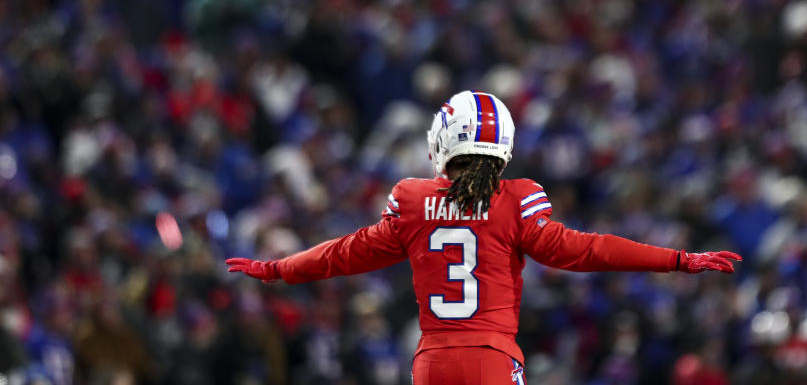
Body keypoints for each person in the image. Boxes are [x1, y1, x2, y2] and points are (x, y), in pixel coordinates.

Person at [226, 91, 741, 384]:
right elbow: (586, 250)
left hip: (432, 362)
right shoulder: (517, 198)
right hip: (493, 359)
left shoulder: (410, 198)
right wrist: (677, 259)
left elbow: (343, 255)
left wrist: (276, 268)